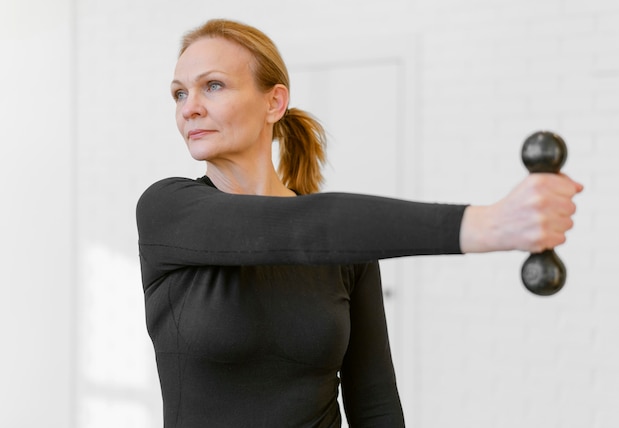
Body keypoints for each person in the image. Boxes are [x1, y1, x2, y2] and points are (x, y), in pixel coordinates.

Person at [136, 19, 582, 428]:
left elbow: (375, 403)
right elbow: (298, 230)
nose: (188, 107)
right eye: (179, 93)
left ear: (274, 102)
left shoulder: (346, 245)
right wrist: (488, 225)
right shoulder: (167, 211)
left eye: (212, 86)